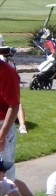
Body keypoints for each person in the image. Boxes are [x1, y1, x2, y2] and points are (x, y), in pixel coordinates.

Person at [0, 52, 19, 183]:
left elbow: (14, 105)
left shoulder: (7, 72)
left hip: (2, 125)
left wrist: (2, 135)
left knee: (5, 173)